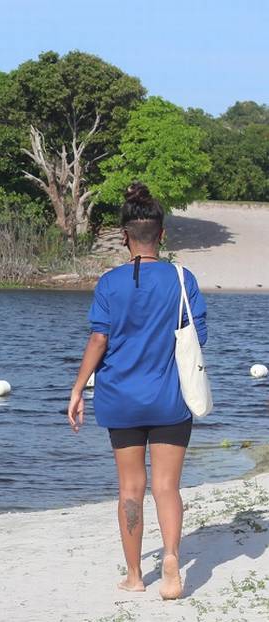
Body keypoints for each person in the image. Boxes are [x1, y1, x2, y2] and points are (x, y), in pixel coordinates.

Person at [67, 183, 207, 600]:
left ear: (125, 236)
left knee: (130, 489)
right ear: (162, 235)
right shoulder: (184, 279)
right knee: (167, 487)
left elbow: (98, 340)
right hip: (170, 398)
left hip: (121, 399)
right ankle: (171, 561)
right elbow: (198, 338)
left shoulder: (110, 284)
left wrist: (77, 389)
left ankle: (134, 574)